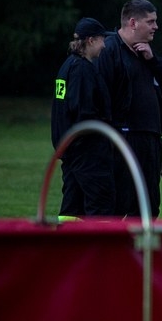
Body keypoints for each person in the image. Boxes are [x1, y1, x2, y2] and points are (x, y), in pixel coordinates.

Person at [97, 0, 162, 218]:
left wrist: (153, 60)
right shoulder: (109, 50)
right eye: (150, 21)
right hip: (123, 139)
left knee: (148, 208)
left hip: (150, 140)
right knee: (119, 204)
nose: (155, 26)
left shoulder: (145, 53)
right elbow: (102, 97)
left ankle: (140, 242)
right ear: (133, 22)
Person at [51, 17, 116, 218]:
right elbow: (84, 113)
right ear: (90, 40)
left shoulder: (67, 66)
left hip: (69, 149)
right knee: (101, 203)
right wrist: (104, 130)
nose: (104, 45)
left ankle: (66, 238)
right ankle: (100, 238)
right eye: (102, 40)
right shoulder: (82, 70)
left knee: (72, 206)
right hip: (87, 152)